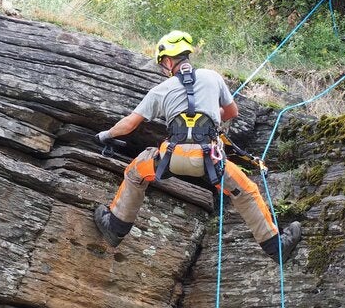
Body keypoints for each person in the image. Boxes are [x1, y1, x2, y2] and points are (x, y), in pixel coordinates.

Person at [93, 30, 302, 264]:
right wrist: (210, 119)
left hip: (170, 159)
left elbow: (130, 124)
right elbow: (232, 112)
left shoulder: (161, 90)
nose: (163, 68)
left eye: (163, 63)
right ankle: (277, 248)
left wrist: (106, 135)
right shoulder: (212, 77)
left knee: (135, 172)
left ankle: (115, 227)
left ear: (169, 61)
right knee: (247, 192)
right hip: (211, 161)